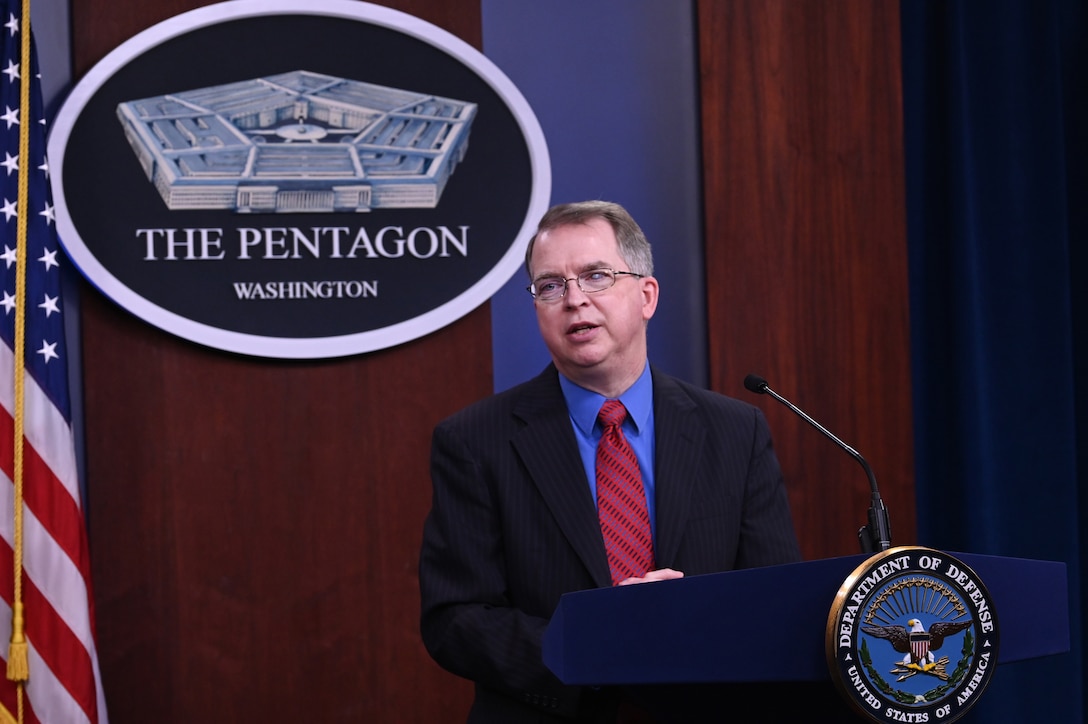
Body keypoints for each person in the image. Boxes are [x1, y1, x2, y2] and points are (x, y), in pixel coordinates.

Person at [419, 200, 801, 723]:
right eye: (550, 285)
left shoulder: (735, 431)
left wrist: (693, 622)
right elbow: (454, 619)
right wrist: (595, 643)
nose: (574, 300)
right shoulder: (475, 440)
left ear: (646, 295)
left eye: (596, 276)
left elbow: (775, 598)